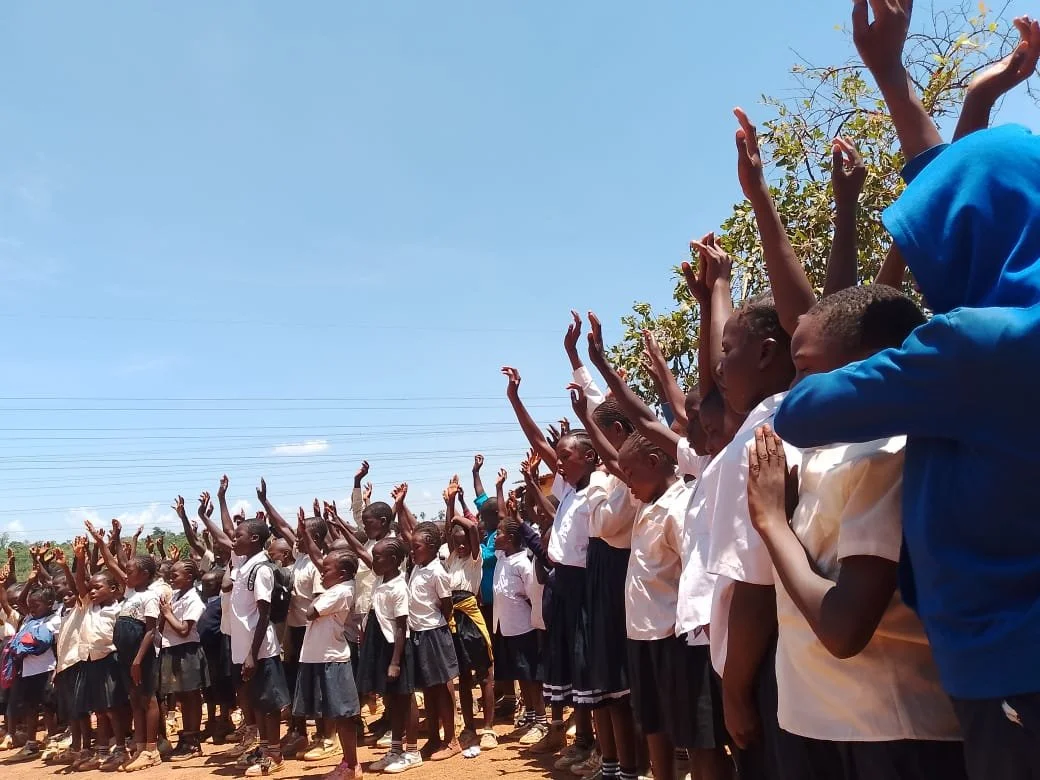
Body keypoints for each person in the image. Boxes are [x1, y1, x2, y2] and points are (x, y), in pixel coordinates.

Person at [773, 5, 1040, 779]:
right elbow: (957, 193)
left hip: (1011, 671)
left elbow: (804, 410)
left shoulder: (980, 348)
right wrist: (899, 78)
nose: (922, 270)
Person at [748, 284, 966, 780]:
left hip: (888, 730)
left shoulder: (890, 452)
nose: (792, 386)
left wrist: (771, 522)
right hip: (818, 719)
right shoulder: (823, 452)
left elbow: (845, 629)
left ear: (873, 365)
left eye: (804, 368)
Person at [502, 365, 597, 761]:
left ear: (590, 458)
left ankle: (595, 747)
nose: (556, 463)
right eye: (556, 458)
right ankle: (577, 740)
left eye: (565, 456)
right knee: (569, 669)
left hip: (585, 589)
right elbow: (539, 441)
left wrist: (583, 414)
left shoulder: (598, 487)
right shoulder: (568, 490)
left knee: (589, 670)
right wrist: (514, 399)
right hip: (561, 588)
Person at [256, 480, 335, 762]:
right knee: (296, 683)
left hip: (312, 630)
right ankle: (298, 732)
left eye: (303, 534)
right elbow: (283, 528)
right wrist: (266, 503)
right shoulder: (300, 557)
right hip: (295, 630)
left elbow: (318, 604)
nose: (296, 538)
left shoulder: (318, 563)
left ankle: (328, 737)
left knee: (318, 683)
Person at [86, 520, 168, 772]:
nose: (125, 574)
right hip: (125, 654)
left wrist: (137, 660)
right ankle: (140, 746)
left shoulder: (150, 595)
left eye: (130, 572)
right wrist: (101, 542)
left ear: (144, 574)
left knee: (148, 699)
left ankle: (152, 750)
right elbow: (112, 563)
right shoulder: (131, 592)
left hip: (140, 656)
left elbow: (151, 629)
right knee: (135, 699)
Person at [291, 512, 363, 780]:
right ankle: (347, 763)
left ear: (342, 573)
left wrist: (314, 598)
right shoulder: (337, 584)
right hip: (318, 658)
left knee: (342, 715)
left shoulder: (342, 591)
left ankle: (351, 765)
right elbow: (318, 558)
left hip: (332, 660)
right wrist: (307, 535)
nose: (321, 571)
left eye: (326, 571)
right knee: (334, 713)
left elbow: (310, 611)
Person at [228, 518, 292, 777]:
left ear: (254, 539)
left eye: (238, 535)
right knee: (256, 701)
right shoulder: (243, 566)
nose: (233, 539)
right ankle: (264, 748)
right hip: (243, 648)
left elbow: (263, 615)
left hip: (260, 650)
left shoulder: (261, 570)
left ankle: (274, 754)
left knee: (268, 702)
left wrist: (253, 655)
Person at [355, 537, 420, 774]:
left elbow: (402, 627)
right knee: (392, 699)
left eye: (378, 557)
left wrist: (395, 661)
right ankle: (395, 749)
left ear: (393, 561)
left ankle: (412, 751)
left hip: (396, 648)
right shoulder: (381, 580)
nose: (374, 560)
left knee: (405, 696)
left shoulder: (399, 587)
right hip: (380, 645)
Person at [442, 479, 497, 753]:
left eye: (464, 543)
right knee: (462, 676)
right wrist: (450, 502)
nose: (461, 546)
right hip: (453, 618)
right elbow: (448, 533)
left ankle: (488, 729)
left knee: (485, 673)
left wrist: (455, 511)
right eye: (457, 542)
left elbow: (473, 527)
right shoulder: (452, 558)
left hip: (471, 616)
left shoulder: (476, 558)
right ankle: (469, 727)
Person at [403, 518, 461, 761]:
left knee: (441, 687)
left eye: (417, 547)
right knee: (428, 687)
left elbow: (446, 606)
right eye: (412, 546)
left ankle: (451, 740)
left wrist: (434, 626)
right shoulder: (417, 566)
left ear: (431, 547)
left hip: (434, 633)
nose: (412, 550)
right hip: (417, 634)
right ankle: (434, 738)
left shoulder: (437, 571)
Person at [492, 517, 547, 743]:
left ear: (511, 539)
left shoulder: (523, 563)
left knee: (532, 676)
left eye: (499, 533)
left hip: (524, 627)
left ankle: (542, 721)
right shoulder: (502, 557)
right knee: (521, 674)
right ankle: (531, 714)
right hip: (507, 627)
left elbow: (534, 595)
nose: (495, 537)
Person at [78, 563, 129, 771]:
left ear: (114, 589)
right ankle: (101, 751)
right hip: (91, 661)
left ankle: (121, 749)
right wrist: (80, 559)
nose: (92, 591)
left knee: (112, 708)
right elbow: (80, 584)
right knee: (99, 709)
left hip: (111, 660)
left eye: (98, 588)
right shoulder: (89, 607)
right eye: (91, 588)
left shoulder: (117, 609)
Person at [158, 559, 210, 761]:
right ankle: (185, 739)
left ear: (189, 578)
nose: (171, 578)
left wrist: (168, 613)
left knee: (192, 697)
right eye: (170, 575)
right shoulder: (177, 596)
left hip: (187, 650)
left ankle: (193, 742)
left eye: (175, 575)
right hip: (173, 650)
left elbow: (183, 630)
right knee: (181, 697)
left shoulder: (193, 599)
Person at [5, 576, 59, 763]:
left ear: (50, 603)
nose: (32, 608)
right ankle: (31, 744)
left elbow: (54, 647)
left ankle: (52, 740)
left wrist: (56, 670)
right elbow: (20, 602)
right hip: (28, 670)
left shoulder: (53, 620)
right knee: (30, 707)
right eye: (31, 605)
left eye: (37, 605)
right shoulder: (29, 617)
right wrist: (30, 581)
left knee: (47, 707)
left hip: (46, 668)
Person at [50, 545, 92, 765]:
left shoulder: (81, 607)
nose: (67, 596)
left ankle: (86, 747)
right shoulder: (63, 613)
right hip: (64, 666)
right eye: (63, 594)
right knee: (70, 710)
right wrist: (57, 669)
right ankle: (75, 746)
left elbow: (77, 590)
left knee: (81, 708)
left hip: (77, 663)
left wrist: (69, 565)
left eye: (70, 593)